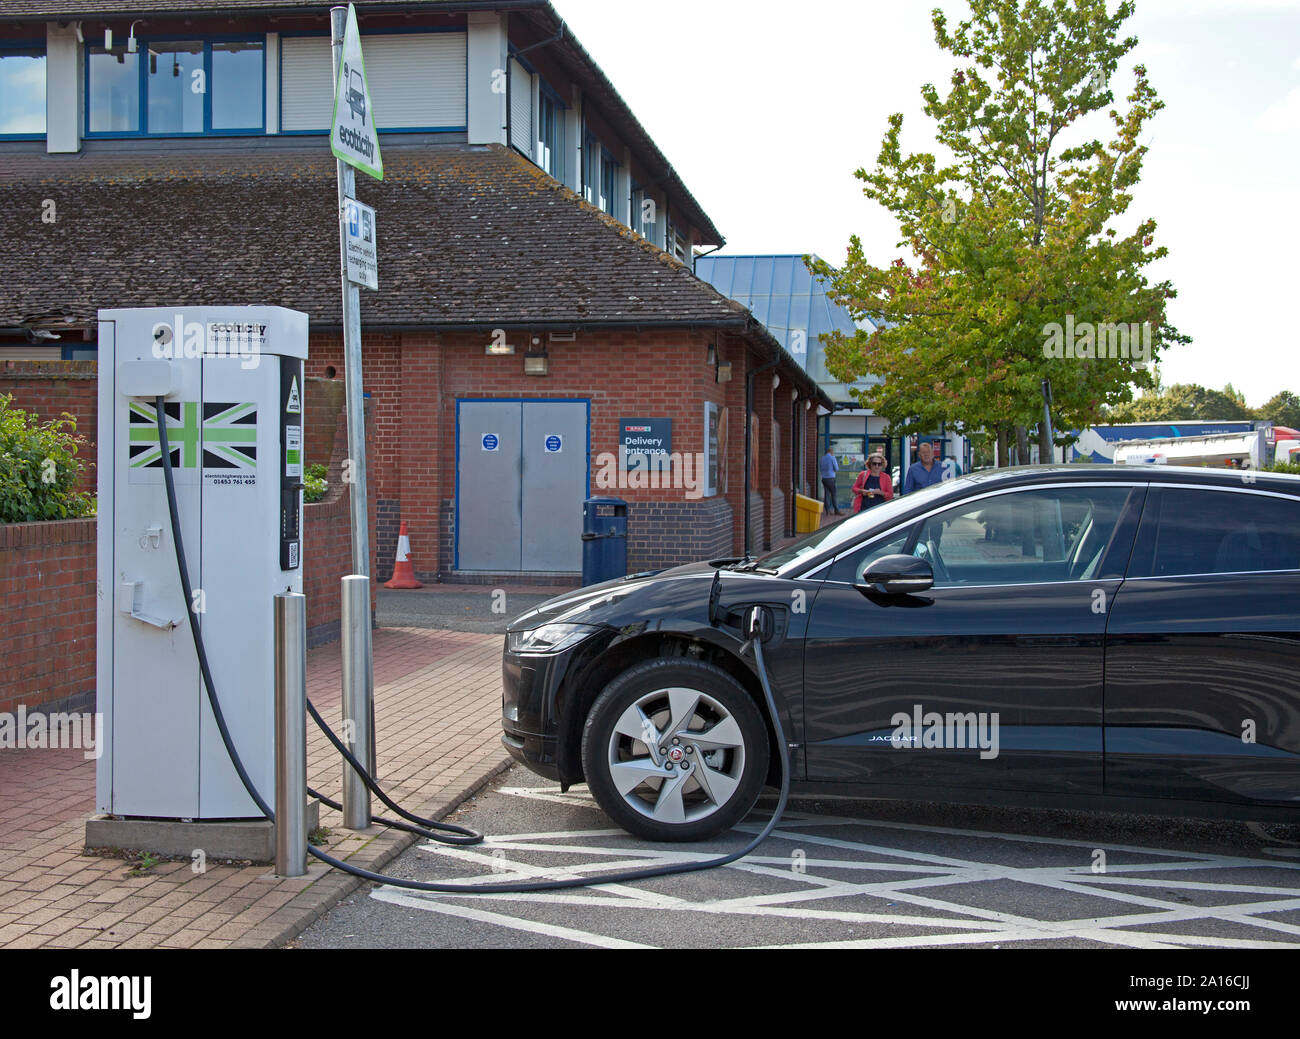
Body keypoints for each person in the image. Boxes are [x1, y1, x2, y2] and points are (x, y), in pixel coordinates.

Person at [819, 448, 840, 515]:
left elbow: (821, 468)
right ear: (831, 452)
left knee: (827, 494)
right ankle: (836, 510)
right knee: (834, 494)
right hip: (831, 478)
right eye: (832, 452)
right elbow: (836, 468)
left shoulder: (822, 458)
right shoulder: (832, 458)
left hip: (824, 478)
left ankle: (827, 511)